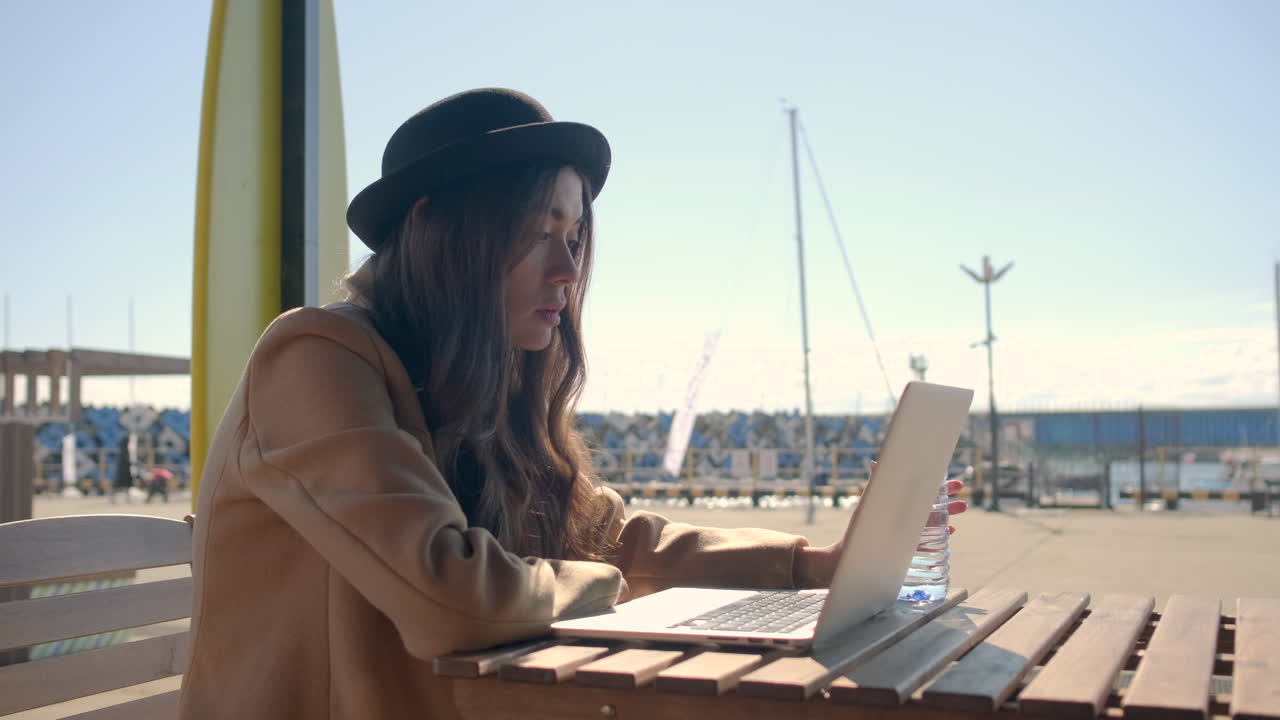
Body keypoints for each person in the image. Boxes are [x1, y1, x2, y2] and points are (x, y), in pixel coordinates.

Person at [178, 88, 965, 720]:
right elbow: (455, 596)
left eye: (578, 235)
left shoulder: (490, 379)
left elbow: (604, 534)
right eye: (538, 229)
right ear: (437, 228)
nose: (567, 268)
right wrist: (608, 587)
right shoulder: (315, 357)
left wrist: (810, 565)